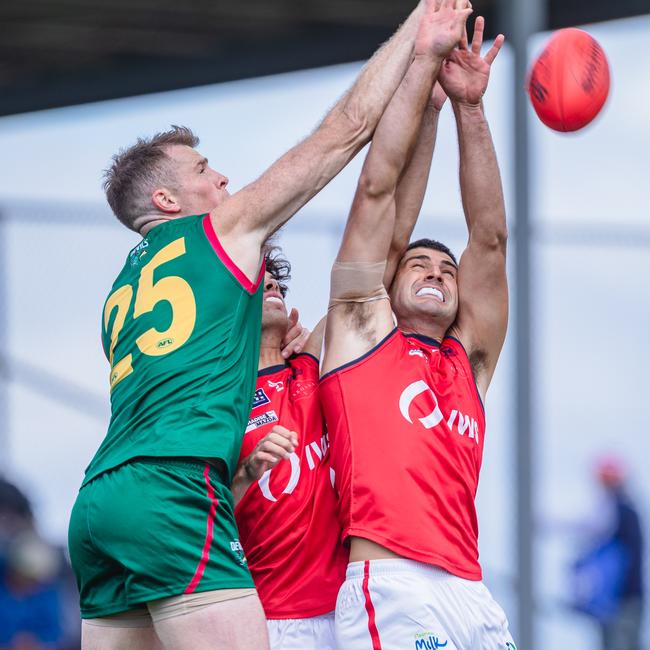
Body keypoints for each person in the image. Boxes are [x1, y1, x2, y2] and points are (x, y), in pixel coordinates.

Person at [67, 2, 441, 648]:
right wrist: (422, 28)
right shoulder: (220, 235)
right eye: (204, 170)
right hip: (172, 490)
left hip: (99, 502)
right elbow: (345, 130)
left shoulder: (120, 294)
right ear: (167, 201)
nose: (223, 179)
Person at [319, 12, 515, 648]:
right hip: (392, 584)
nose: (436, 271)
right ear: (389, 283)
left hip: (471, 590)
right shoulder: (358, 332)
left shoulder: (470, 363)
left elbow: (489, 238)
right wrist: (421, 75)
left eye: (446, 270)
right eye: (419, 265)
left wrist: (470, 108)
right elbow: (377, 192)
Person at [230, 248, 347, 649]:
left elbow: (360, 284)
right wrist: (248, 470)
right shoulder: (220, 401)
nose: (272, 286)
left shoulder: (309, 363)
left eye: (276, 282)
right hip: (276, 617)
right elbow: (202, 512)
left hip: (349, 610)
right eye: (257, 283)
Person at [570, 457, 644, 650]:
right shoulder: (626, 511)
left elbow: (589, 529)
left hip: (621, 600)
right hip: (621, 599)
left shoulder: (618, 512)